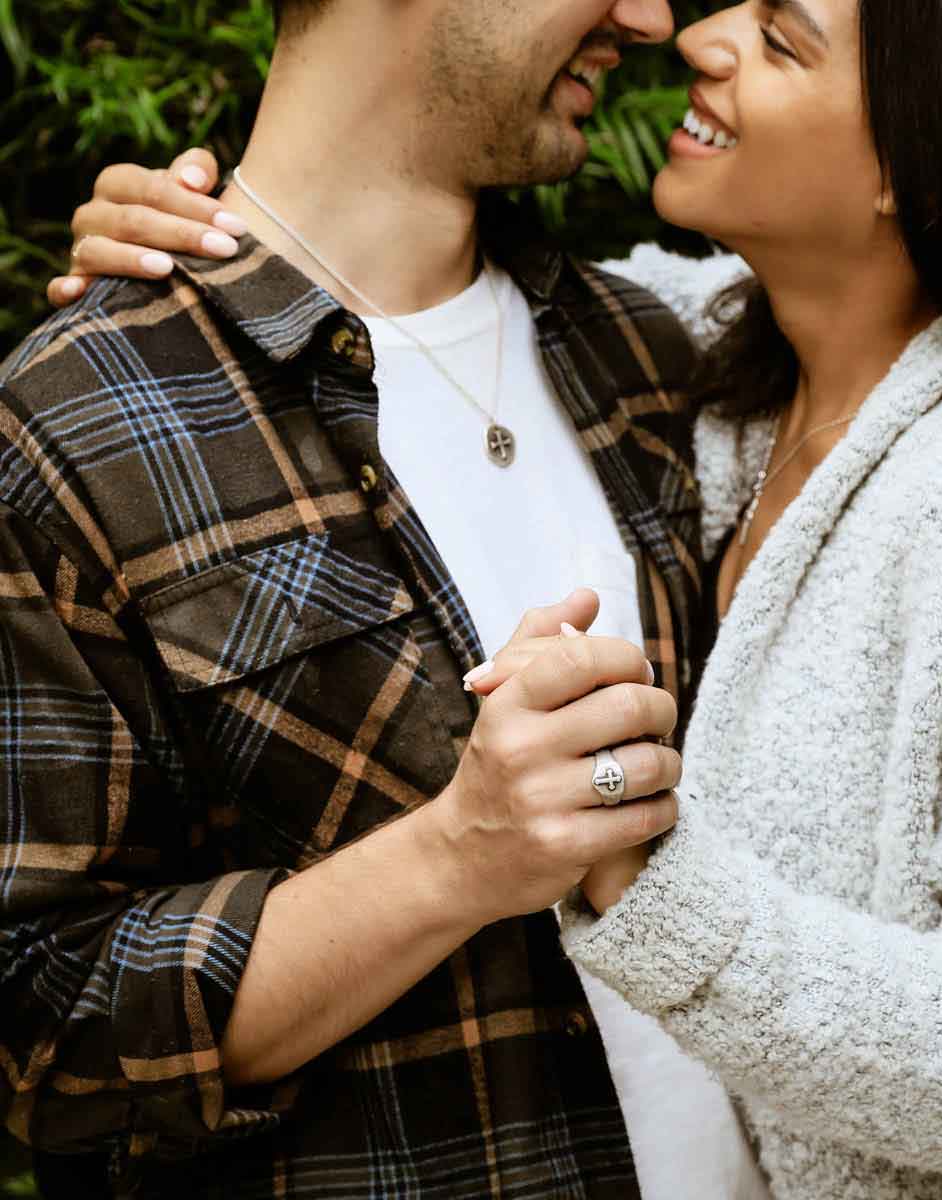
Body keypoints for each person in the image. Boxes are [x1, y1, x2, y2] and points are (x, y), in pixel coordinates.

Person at [40, 0, 942, 1197]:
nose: (677, 27)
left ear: (927, 152)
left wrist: (647, 879)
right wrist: (204, 241)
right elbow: (46, 1023)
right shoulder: (688, 369)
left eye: (782, 38)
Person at [0, 1, 776, 1198]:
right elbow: (39, 1029)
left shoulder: (650, 354)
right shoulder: (69, 425)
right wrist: (459, 858)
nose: (650, 17)